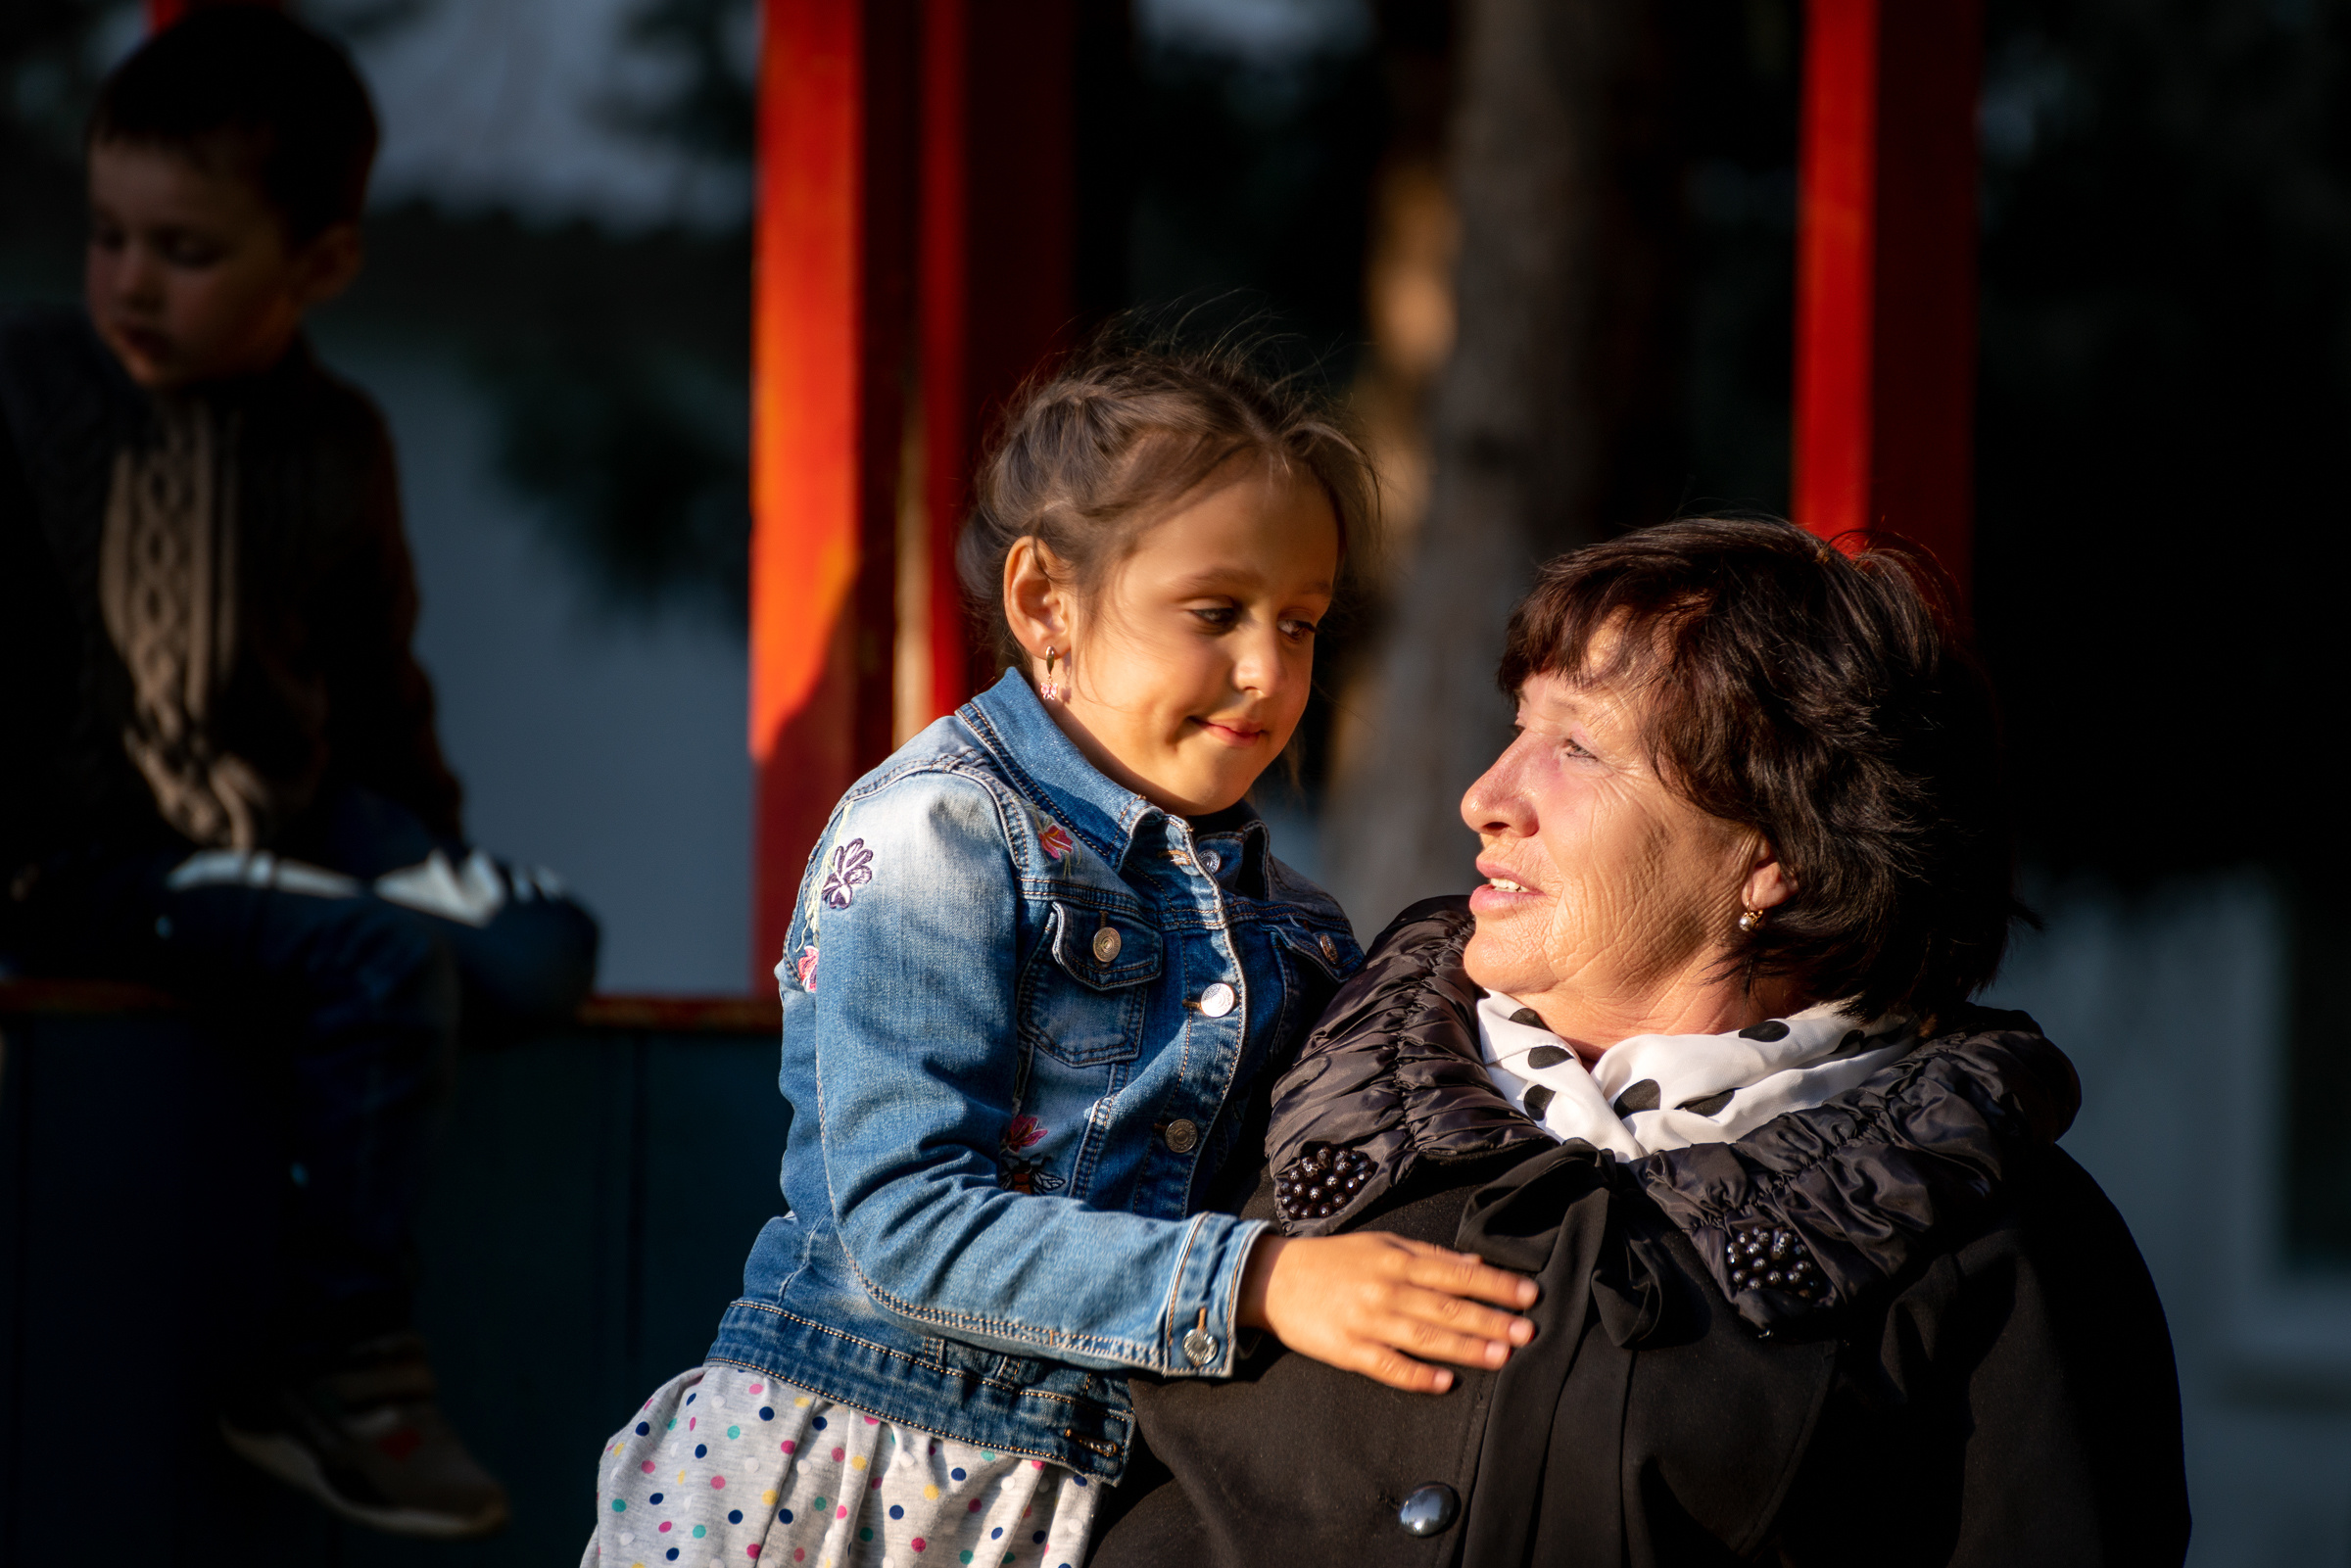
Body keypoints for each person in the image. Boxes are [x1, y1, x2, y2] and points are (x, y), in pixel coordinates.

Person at [582, 340, 1547, 1567]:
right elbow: (906, 1220)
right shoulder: (936, 834)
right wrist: (1259, 1284)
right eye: (1216, 612)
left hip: (1075, 1497)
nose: (1267, 670)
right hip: (840, 1480)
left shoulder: (1294, 925)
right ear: (1046, 601)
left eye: (1300, 622)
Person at [1091, 517, 2191, 1566]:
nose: (1488, 795)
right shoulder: (1258, 1075)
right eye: (1518, 725)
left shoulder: (2002, 1250)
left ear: (1774, 854)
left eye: (1576, 746)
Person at [0, 8, 600, 1540]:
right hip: (99, 858)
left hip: (297, 836)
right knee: (377, 965)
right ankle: (334, 1369)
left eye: (186, 252)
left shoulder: (339, 439)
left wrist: (423, 842)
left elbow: (380, 688)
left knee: (539, 948)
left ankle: (358, 950)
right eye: (110, 236)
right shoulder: (31, 392)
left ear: (316, 266)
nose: (132, 278)